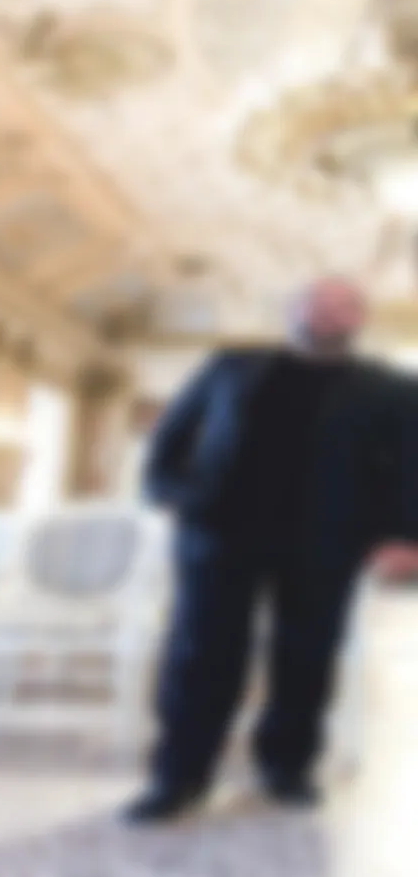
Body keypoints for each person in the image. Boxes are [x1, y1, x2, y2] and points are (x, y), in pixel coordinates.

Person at [129, 276, 418, 822]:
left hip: (327, 540)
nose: (332, 314)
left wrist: (406, 536)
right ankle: (179, 777)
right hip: (220, 534)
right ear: (294, 310)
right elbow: (171, 441)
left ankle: (287, 770)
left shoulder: (392, 390)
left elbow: (410, 468)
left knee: (305, 659)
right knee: (201, 657)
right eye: (320, 303)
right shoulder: (230, 367)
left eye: (346, 306)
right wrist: (178, 496)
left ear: (360, 319)